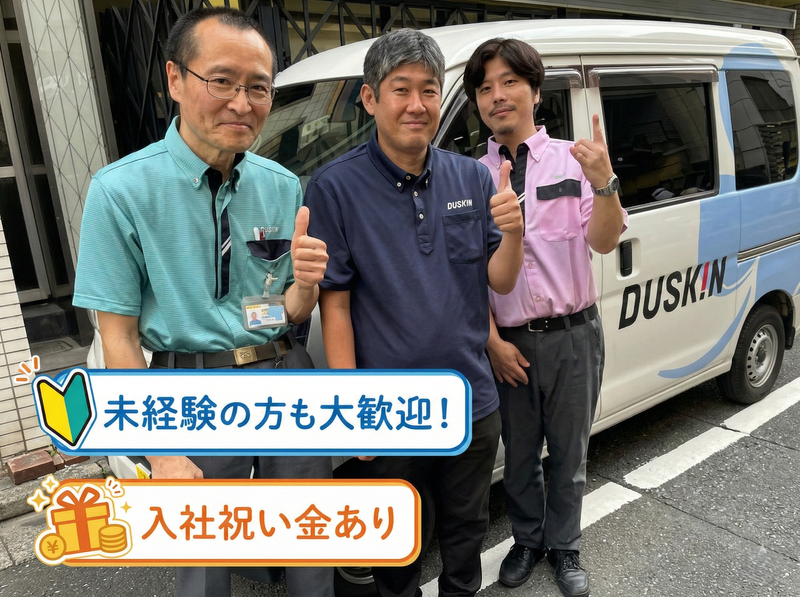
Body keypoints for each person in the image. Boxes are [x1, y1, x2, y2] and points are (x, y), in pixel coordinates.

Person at [72, 8, 332, 597]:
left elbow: (283, 312)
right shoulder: (120, 190)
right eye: (222, 81)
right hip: (189, 394)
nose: (243, 103)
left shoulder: (280, 184)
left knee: (311, 545)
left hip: (284, 374)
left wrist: (306, 286)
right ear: (175, 79)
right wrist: (159, 452)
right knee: (206, 566)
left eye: (258, 87)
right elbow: (118, 337)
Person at [305, 28, 524, 597]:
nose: (417, 104)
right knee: (397, 542)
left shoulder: (471, 176)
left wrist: (514, 234)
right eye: (400, 89)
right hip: (389, 407)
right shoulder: (335, 187)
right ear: (370, 98)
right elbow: (335, 304)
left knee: (466, 529)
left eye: (429, 89)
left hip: (471, 396)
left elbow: (498, 280)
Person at [464, 38, 627, 597]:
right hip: (509, 341)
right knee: (519, 454)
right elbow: (468, 274)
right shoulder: (470, 177)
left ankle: (565, 546)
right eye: (485, 87)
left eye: (509, 82)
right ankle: (527, 541)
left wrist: (604, 181)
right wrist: (491, 341)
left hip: (573, 334)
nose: (497, 95)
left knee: (569, 453)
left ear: (535, 91)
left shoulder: (573, 160)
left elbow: (604, 241)